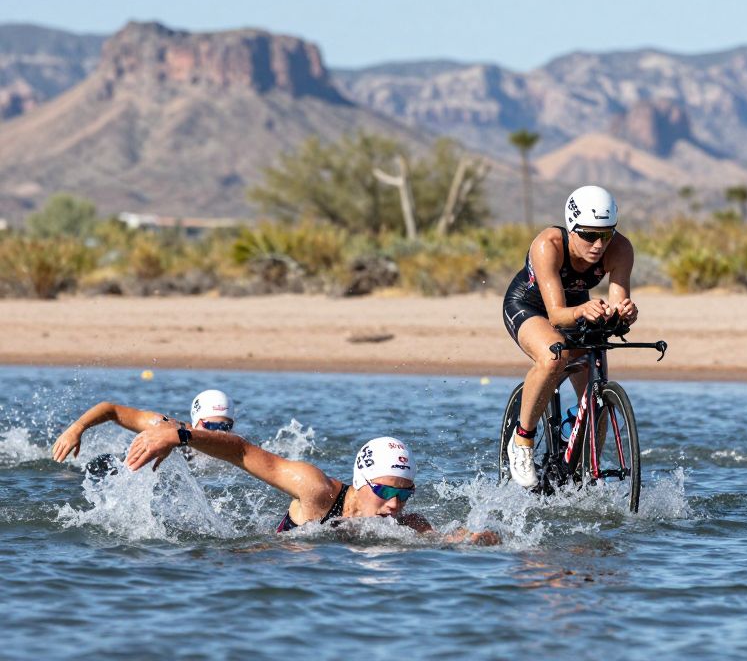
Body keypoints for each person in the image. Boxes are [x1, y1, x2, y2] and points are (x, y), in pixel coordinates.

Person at [119, 422, 499, 545]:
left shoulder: (404, 525)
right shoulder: (317, 490)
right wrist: (181, 435)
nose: (395, 505)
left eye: (404, 493)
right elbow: (245, 453)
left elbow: (445, 539)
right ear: (360, 481)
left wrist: (479, 538)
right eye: (385, 491)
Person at [502, 185, 639, 488]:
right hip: (530, 305)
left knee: (597, 383)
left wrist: (625, 312)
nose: (598, 244)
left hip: (578, 307)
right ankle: (522, 440)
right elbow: (556, 315)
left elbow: (618, 301)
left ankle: (587, 462)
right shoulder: (548, 244)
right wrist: (583, 310)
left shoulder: (621, 248)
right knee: (555, 355)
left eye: (606, 234)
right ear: (572, 228)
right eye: (589, 235)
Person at [51, 389, 236, 469]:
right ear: (196, 422)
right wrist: (77, 428)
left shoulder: (235, 448)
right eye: (211, 426)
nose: (219, 433)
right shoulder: (168, 427)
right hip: (113, 467)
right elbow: (111, 410)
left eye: (226, 427)